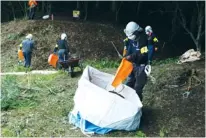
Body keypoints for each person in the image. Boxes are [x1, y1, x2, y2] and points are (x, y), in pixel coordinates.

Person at [123, 21, 149, 101]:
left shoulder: (144, 39)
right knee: (128, 84)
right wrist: (126, 55)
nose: (131, 37)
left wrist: (131, 56)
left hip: (141, 66)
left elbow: (143, 54)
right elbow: (129, 48)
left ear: (137, 32)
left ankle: (138, 106)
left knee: (137, 88)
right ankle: (126, 102)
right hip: (133, 64)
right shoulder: (131, 38)